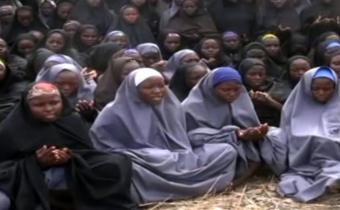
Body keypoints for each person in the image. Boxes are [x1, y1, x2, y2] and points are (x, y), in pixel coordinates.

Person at [90, 68, 237, 203]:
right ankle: (186, 187)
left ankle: (198, 185)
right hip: (148, 163)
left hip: (182, 156)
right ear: (134, 90)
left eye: (161, 86)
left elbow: (185, 137)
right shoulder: (114, 111)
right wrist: (144, 154)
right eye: (149, 87)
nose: (157, 91)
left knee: (226, 150)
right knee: (134, 165)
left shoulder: (172, 105)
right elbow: (104, 146)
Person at [0, 82, 137, 209]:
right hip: (32, 175)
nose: (48, 109)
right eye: (39, 105)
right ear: (27, 107)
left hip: (73, 167)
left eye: (54, 103)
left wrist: (69, 156)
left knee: (118, 162)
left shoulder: (71, 121)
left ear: (62, 102)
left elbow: (87, 151)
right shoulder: (11, 129)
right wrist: (37, 162)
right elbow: (4, 167)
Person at [261, 66, 340, 202]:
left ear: (335, 88)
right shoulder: (293, 108)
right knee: (292, 181)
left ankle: (326, 184)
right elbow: (286, 135)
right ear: (307, 87)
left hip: (334, 161)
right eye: (316, 89)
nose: (321, 93)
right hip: (300, 164)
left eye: (327, 89)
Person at [182, 67, 268, 185]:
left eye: (236, 89)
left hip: (241, 141)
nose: (232, 94)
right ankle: (226, 182)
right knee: (227, 151)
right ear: (211, 89)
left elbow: (249, 124)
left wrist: (255, 132)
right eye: (225, 90)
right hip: (208, 147)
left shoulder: (240, 98)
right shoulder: (191, 107)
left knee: (274, 137)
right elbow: (191, 137)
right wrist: (233, 134)